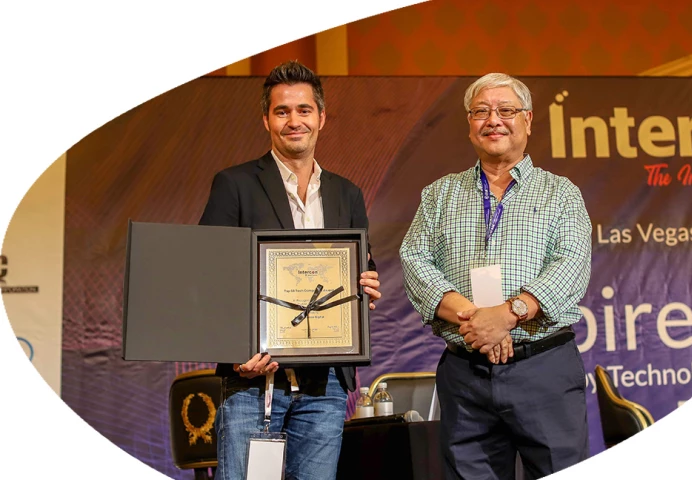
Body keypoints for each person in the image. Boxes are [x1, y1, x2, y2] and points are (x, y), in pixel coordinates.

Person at [399, 73, 592, 479]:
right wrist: (478, 321)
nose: (494, 120)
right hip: (465, 376)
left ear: (528, 120)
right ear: (469, 124)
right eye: (481, 112)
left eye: (506, 110)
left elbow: (571, 264)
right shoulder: (439, 195)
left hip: (543, 368)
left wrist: (507, 315)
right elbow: (414, 260)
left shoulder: (561, 193)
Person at [199, 60, 381, 480]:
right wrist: (237, 354)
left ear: (322, 117)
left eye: (304, 110)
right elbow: (209, 276)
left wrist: (365, 285)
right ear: (266, 120)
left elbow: (361, 264)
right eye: (282, 111)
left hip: (326, 386)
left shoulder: (347, 193)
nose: (294, 121)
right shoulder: (235, 184)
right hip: (253, 381)